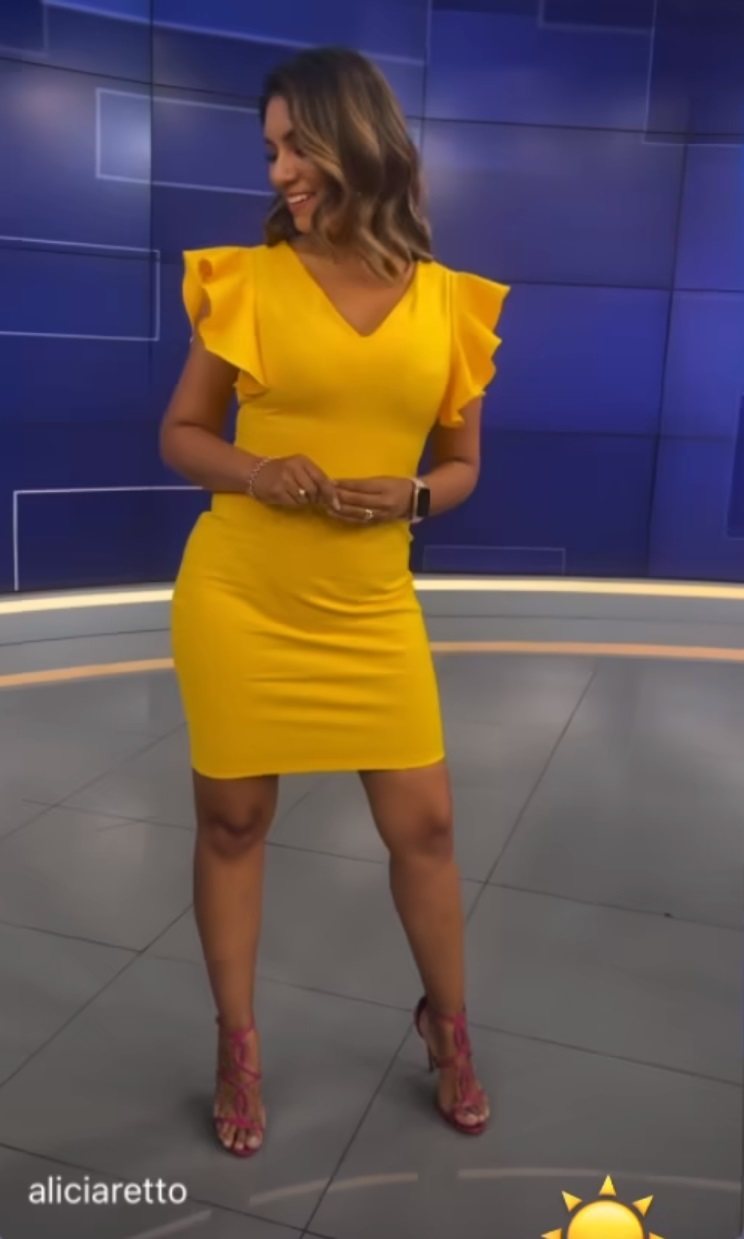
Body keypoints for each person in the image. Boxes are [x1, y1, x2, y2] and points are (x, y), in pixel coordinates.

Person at [160, 45, 510, 1158]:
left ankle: (447, 1025)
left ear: (355, 139)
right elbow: (181, 436)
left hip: (371, 605)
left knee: (428, 827)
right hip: (242, 594)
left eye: (294, 146)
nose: (278, 173)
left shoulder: (451, 304)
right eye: (269, 152)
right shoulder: (247, 283)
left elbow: (462, 465)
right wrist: (257, 470)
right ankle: (238, 1043)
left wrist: (415, 494)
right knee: (234, 823)